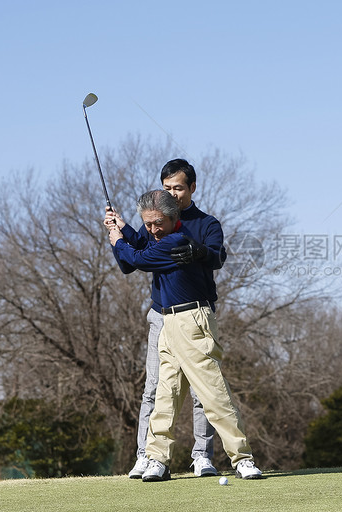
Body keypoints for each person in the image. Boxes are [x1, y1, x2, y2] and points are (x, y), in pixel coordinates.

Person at [107, 189, 263, 481]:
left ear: (173, 217)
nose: (152, 229)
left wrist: (117, 238)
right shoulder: (161, 238)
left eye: (157, 223)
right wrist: (122, 228)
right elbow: (133, 255)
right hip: (169, 321)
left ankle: (242, 458)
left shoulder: (175, 241)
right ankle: (157, 458)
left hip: (193, 321)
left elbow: (134, 259)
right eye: (147, 223)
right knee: (166, 395)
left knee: (212, 393)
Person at [105, 159, 225, 480]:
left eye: (179, 188)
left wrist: (198, 252)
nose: (173, 192)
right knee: (154, 388)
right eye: (167, 187)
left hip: (197, 314)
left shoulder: (205, 224)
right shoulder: (156, 222)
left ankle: (202, 456)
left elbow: (217, 256)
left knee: (203, 391)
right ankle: (148, 454)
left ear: (192, 188)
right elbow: (139, 255)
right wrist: (122, 230)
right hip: (161, 315)